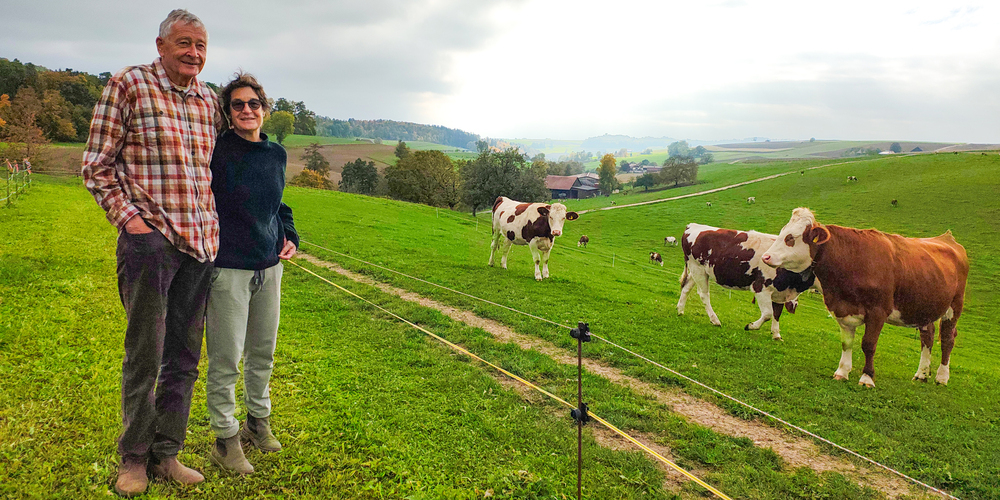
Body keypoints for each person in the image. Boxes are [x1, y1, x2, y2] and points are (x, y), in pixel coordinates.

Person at [81, 9, 221, 497]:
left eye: (201, 45)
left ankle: (167, 453)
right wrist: (133, 224)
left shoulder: (209, 100)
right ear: (160, 45)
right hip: (151, 244)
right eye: (184, 42)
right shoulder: (130, 85)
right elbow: (97, 166)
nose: (194, 53)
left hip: (200, 246)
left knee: (184, 355)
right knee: (146, 352)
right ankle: (134, 458)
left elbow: (220, 168)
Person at [205, 72, 298, 475]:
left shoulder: (276, 153)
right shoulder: (216, 150)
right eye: (238, 105)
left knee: (262, 352)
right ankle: (225, 440)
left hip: (269, 268)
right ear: (228, 113)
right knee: (226, 358)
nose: (247, 110)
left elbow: (277, 204)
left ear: (265, 109)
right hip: (228, 268)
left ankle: (258, 422)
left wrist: (290, 234)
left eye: (253, 104)